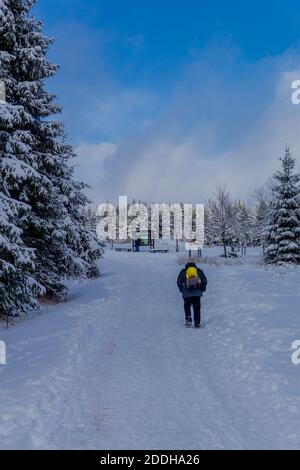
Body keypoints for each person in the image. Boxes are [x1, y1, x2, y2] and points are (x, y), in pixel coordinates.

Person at [177, 262, 207, 328]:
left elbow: (179, 282)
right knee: (197, 308)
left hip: (186, 294)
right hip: (197, 294)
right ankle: (197, 323)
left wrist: (182, 290)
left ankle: (188, 321)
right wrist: (201, 290)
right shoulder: (199, 271)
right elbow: (205, 281)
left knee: (187, 306)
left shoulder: (183, 272)